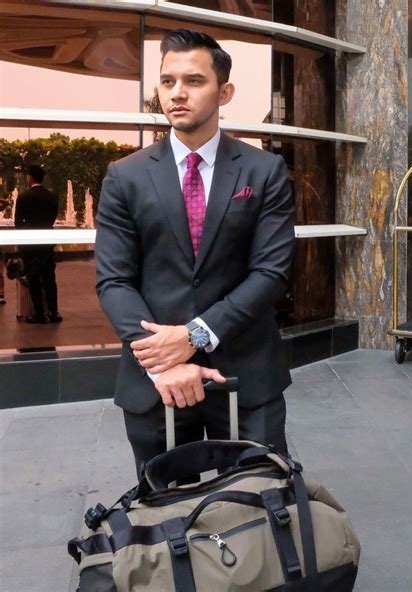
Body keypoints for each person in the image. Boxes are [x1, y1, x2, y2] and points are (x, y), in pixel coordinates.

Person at [95, 29, 295, 476]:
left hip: (246, 375)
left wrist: (196, 336)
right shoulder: (125, 176)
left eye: (194, 81)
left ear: (224, 92)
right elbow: (114, 281)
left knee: (256, 502)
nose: (177, 93)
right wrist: (161, 362)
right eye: (168, 82)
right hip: (156, 382)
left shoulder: (264, 171)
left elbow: (271, 272)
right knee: (165, 510)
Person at [15, 165, 62, 323]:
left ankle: (39, 313)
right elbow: (52, 219)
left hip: (30, 243)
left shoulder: (24, 197)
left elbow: (18, 222)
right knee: (49, 277)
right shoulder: (52, 196)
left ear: (30, 177)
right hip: (47, 241)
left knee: (33, 278)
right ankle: (54, 312)